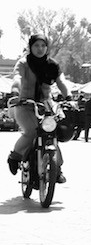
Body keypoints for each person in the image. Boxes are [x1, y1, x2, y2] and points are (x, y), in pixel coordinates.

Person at [7, 34, 71, 183]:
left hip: (46, 104)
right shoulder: (23, 63)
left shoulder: (52, 65)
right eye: (36, 45)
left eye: (43, 45)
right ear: (31, 47)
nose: (40, 49)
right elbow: (17, 78)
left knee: (53, 132)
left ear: (47, 47)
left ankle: (57, 168)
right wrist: (15, 92)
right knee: (31, 132)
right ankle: (15, 156)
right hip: (25, 103)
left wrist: (69, 97)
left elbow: (61, 82)